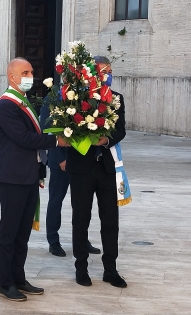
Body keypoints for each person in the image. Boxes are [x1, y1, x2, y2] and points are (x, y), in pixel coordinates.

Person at [0, 58, 69, 302]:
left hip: (28, 176)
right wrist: (56, 141)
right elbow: (24, 138)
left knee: (22, 233)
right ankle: (5, 284)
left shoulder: (24, 102)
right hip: (12, 177)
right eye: (24, 72)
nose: (30, 75)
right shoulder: (7, 105)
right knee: (9, 232)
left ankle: (18, 277)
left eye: (31, 71)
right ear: (11, 76)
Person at [66, 55, 128, 288]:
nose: (108, 74)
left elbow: (120, 130)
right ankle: (81, 268)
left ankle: (110, 269)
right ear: (90, 74)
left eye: (110, 70)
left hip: (107, 168)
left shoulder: (117, 99)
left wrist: (105, 140)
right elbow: (65, 129)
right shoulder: (75, 98)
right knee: (80, 219)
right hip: (81, 168)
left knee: (110, 220)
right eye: (103, 71)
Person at [39, 101, 101, 257]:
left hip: (81, 160)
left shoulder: (84, 97)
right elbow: (47, 131)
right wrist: (60, 158)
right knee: (56, 200)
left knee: (82, 203)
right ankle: (53, 241)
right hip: (60, 162)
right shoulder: (52, 100)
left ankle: (82, 239)